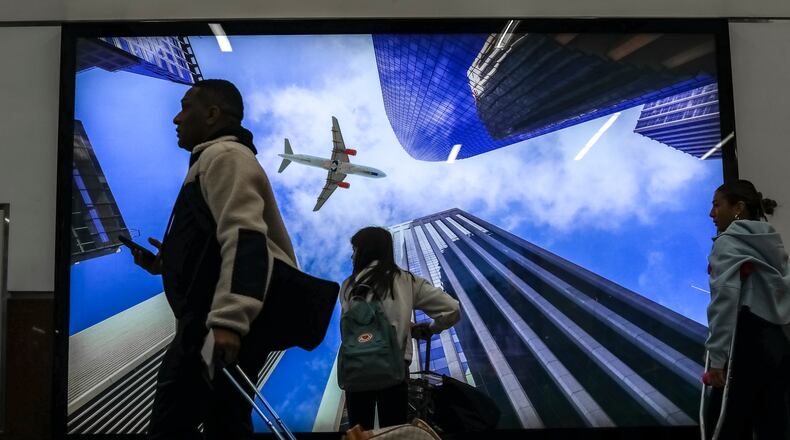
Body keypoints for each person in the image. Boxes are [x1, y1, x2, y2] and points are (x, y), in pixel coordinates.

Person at [130, 79, 297, 439]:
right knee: (224, 424)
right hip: (205, 324)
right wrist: (165, 263)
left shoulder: (224, 156)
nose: (175, 118)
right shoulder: (213, 159)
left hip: (212, 325)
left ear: (211, 114)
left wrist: (230, 320)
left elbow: (245, 236)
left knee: (178, 426)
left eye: (185, 106)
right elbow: (217, 245)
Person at [340, 226, 461, 430]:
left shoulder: (348, 286)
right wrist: (429, 329)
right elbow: (451, 309)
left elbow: (363, 321)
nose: (352, 256)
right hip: (393, 368)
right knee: (395, 431)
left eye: (355, 249)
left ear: (365, 250)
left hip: (355, 369)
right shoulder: (405, 279)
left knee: (359, 433)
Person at [705, 179, 790, 439]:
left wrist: (717, 360)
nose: (712, 213)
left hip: (745, 342)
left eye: (717, 205)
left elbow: (725, 299)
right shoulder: (772, 242)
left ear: (738, 208)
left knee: (721, 426)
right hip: (777, 347)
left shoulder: (727, 243)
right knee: (772, 427)